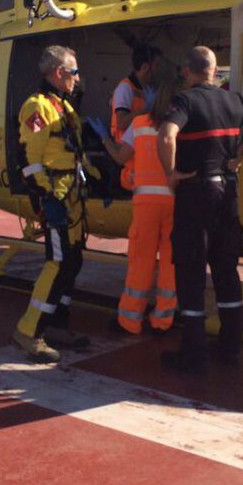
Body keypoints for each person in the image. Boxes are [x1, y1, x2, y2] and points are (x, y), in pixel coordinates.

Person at [157, 46, 243, 373]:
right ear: (215, 71)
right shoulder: (235, 100)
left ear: (187, 71)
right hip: (228, 192)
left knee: (191, 271)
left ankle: (194, 353)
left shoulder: (185, 101)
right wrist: (241, 148)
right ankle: (230, 346)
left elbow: (167, 135)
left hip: (196, 193)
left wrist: (170, 175)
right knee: (226, 271)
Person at [14, 45, 99, 362]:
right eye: (74, 72)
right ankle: (28, 331)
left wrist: (93, 174)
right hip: (57, 198)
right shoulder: (37, 108)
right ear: (60, 73)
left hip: (72, 195)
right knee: (59, 262)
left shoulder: (64, 107)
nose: (78, 78)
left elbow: (71, 152)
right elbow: (27, 158)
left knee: (73, 261)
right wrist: (47, 196)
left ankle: (56, 326)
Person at [93, 75, 179, 334]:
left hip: (146, 204)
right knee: (170, 262)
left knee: (141, 261)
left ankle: (130, 320)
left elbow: (120, 157)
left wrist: (104, 139)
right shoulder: (184, 125)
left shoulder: (139, 123)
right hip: (176, 202)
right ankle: (163, 320)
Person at [109, 45, 159, 190]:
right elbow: (122, 123)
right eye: (156, 65)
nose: (157, 70)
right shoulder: (126, 88)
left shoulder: (144, 89)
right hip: (123, 158)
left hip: (136, 157)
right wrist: (146, 109)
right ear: (145, 67)